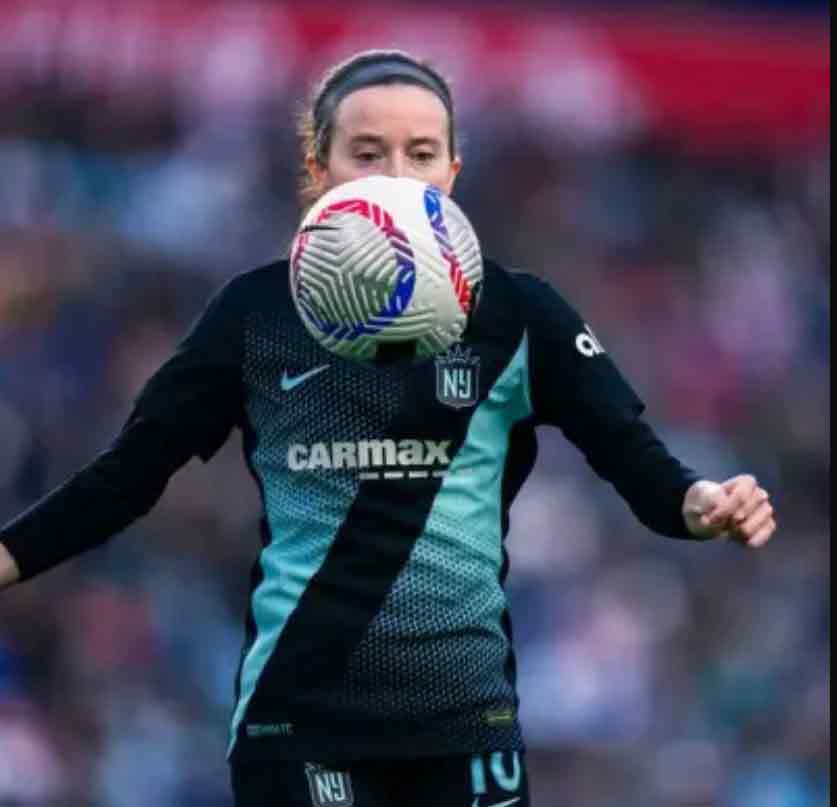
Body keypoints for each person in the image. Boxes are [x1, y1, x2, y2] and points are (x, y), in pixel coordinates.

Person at [0, 49, 775, 807]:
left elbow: (632, 458)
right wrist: (9, 555)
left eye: (421, 153)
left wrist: (698, 501)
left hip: (464, 726)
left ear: (452, 173)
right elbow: (128, 476)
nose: (397, 176)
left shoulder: (517, 314)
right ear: (318, 169)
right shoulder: (254, 316)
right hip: (299, 724)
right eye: (367, 153)